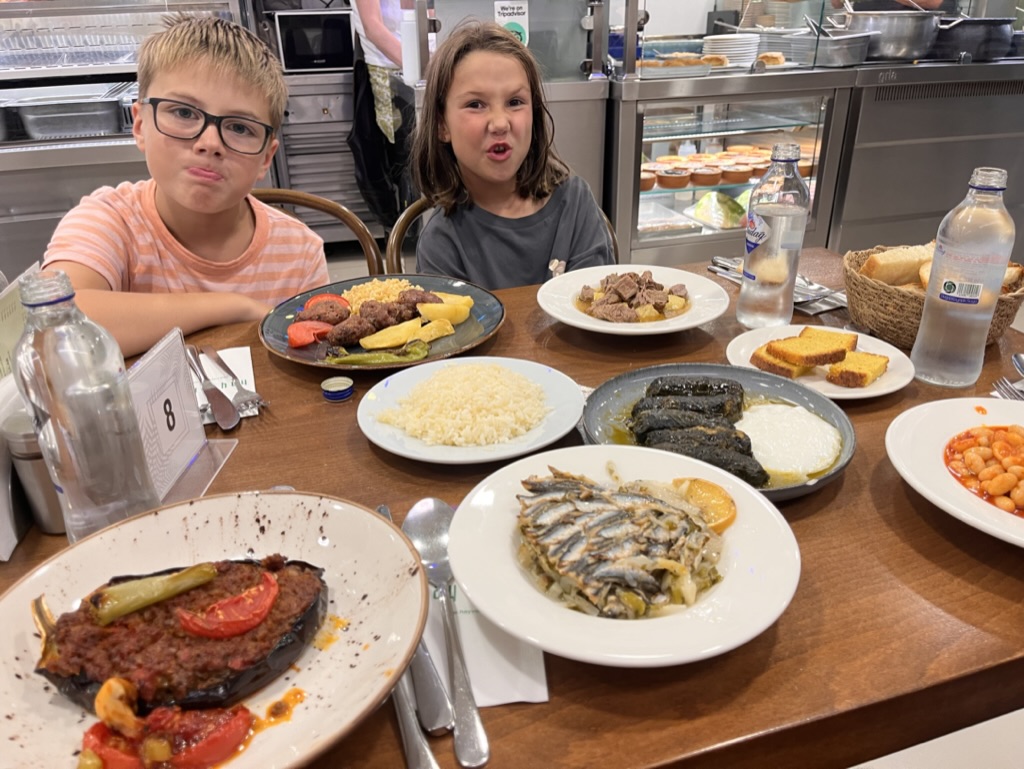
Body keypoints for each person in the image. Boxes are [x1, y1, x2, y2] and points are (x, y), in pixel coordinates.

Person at [42, 14, 329, 357]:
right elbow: (53, 329)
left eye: (240, 128)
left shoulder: (300, 252)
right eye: (184, 113)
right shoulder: (108, 220)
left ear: (266, 158)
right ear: (140, 125)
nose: (210, 143)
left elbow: (319, 362)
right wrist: (233, 307)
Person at [410, 21, 613, 290]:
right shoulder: (441, 243)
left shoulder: (575, 204)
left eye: (515, 102)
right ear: (441, 125)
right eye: (475, 104)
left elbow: (597, 306)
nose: (500, 123)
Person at [348, 0, 418, 233]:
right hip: (390, 69)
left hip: (421, 64)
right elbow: (373, 28)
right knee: (405, 159)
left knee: (426, 155)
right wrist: (421, 65)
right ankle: (405, 235)